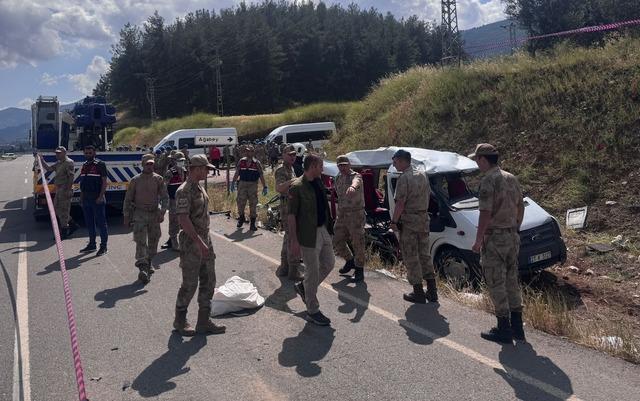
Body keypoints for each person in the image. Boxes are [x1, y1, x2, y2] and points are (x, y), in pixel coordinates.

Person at [469, 143, 525, 344]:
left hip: (495, 238)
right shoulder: (511, 178)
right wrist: (515, 227)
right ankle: (518, 328)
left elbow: (485, 213)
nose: (477, 163)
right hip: (511, 236)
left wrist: (478, 240)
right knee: (511, 281)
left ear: (483, 159)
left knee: (496, 282)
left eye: (477, 159)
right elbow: (520, 206)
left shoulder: (488, 181)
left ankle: (503, 329)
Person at [173, 154, 226, 336]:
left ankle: (204, 321)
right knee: (190, 283)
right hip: (192, 243)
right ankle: (180, 320)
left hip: (205, 240)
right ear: (196, 168)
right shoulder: (184, 190)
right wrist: (199, 242)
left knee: (209, 280)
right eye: (205, 168)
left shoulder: (199, 188)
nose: (208, 171)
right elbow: (183, 219)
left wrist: (206, 243)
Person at [288, 153, 335, 326]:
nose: (323, 169)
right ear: (313, 165)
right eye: (321, 165)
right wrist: (294, 241)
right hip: (308, 235)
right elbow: (291, 216)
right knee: (312, 271)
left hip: (323, 230)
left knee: (329, 264)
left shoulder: (319, 181)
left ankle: (304, 287)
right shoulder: (297, 186)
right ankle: (312, 310)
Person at [389, 149, 438, 304]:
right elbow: (429, 196)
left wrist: (394, 221)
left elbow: (400, 203)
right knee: (425, 254)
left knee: (411, 255)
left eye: (395, 161)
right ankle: (432, 290)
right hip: (423, 219)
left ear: (402, 160)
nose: (394, 164)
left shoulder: (404, 178)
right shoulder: (422, 175)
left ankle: (418, 292)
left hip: (409, 221)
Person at [123, 154, 169, 284]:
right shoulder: (135, 180)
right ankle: (142, 268)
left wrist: (162, 212)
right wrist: (126, 215)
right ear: (142, 165)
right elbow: (128, 199)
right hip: (140, 214)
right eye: (147, 164)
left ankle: (148, 263)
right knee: (140, 241)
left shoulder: (158, 179)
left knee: (154, 239)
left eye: (151, 164)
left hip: (154, 214)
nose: (150, 166)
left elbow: (165, 197)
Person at [333, 155, 366, 282]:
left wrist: (352, 187)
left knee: (358, 242)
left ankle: (359, 270)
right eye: (340, 165)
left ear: (349, 165)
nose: (342, 167)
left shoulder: (356, 176)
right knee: (337, 240)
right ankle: (350, 260)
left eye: (344, 164)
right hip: (342, 214)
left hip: (355, 214)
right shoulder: (338, 178)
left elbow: (356, 183)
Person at [274, 145, 303, 281]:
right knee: (293, 237)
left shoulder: (291, 168)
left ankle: (285, 267)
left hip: (291, 205)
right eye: (289, 154)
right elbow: (279, 188)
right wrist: (295, 180)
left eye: (294, 155)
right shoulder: (281, 169)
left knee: (288, 236)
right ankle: (293, 270)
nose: (292, 157)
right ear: (283, 155)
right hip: (288, 207)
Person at [38, 146, 76, 238]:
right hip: (59, 189)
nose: (57, 154)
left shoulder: (69, 162)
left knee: (64, 210)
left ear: (64, 153)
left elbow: (71, 177)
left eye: (59, 153)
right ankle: (72, 224)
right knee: (56, 209)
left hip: (65, 188)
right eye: (56, 153)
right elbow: (49, 169)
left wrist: (67, 190)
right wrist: (42, 160)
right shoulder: (59, 163)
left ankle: (64, 232)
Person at [79, 145, 108, 256]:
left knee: (101, 224)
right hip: (86, 199)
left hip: (97, 198)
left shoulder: (100, 164)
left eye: (90, 153)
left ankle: (103, 246)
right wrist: (81, 198)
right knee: (89, 223)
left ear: (94, 153)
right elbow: (83, 184)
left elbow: (104, 182)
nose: (88, 155)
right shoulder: (84, 165)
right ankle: (92, 244)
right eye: (86, 153)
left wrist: (101, 197)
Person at [231, 145, 267, 231]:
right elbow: (237, 172)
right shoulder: (241, 161)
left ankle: (252, 223)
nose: (247, 152)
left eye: (249, 151)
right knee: (240, 201)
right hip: (242, 184)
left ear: (253, 152)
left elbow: (261, 175)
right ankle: (241, 217)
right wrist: (233, 182)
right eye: (246, 151)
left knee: (253, 203)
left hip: (252, 185)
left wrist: (264, 186)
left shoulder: (256, 163)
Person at [162, 151, 187, 251]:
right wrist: (164, 200)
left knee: (183, 220)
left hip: (183, 201)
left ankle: (180, 240)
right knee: (173, 221)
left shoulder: (184, 171)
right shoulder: (170, 173)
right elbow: (164, 187)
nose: (182, 162)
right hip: (172, 201)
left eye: (183, 160)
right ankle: (173, 241)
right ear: (175, 161)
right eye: (180, 160)